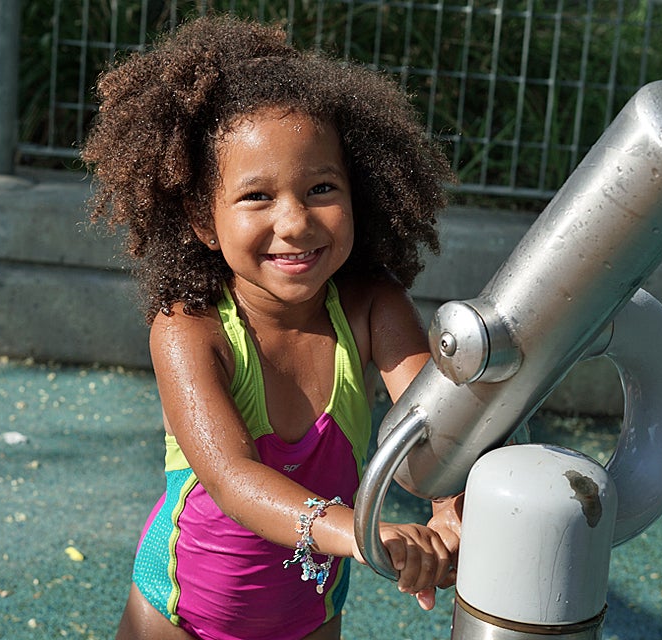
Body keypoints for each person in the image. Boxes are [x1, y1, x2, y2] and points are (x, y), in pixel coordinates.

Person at [81, 14, 463, 640]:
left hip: (308, 618)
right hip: (177, 617)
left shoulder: (372, 310)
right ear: (204, 221)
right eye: (256, 197)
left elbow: (441, 425)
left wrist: (451, 510)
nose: (294, 221)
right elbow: (232, 479)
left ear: (358, 194)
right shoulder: (188, 329)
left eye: (320, 188)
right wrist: (363, 531)